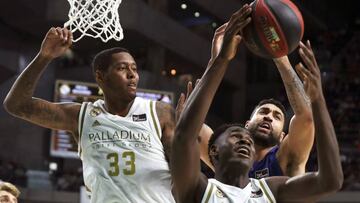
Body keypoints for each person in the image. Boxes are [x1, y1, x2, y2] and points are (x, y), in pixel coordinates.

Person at [171, 4, 343, 203]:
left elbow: (306, 119)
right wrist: (217, 60)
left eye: (277, 116)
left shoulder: (281, 171)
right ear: (246, 124)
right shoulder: (216, 168)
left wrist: (279, 54)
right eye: (263, 112)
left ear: (283, 137)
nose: (269, 116)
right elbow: (187, 133)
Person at [3, 27, 175, 202]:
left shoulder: (159, 112)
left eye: (134, 68)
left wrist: (189, 131)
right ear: (100, 77)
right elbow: (16, 104)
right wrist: (44, 56)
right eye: (122, 68)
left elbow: (182, 169)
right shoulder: (81, 116)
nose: (132, 75)